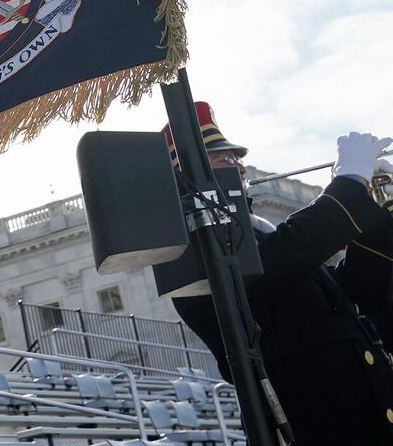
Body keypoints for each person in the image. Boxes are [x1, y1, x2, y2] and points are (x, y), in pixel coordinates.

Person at [165, 104, 393, 442]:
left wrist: (380, 209)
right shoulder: (190, 250)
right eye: (225, 160)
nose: (240, 168)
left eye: (236, 159)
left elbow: (353, 294)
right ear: (190, 177)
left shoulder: (258, 235)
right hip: (317, 423)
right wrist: (348, 183)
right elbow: (284, 256)